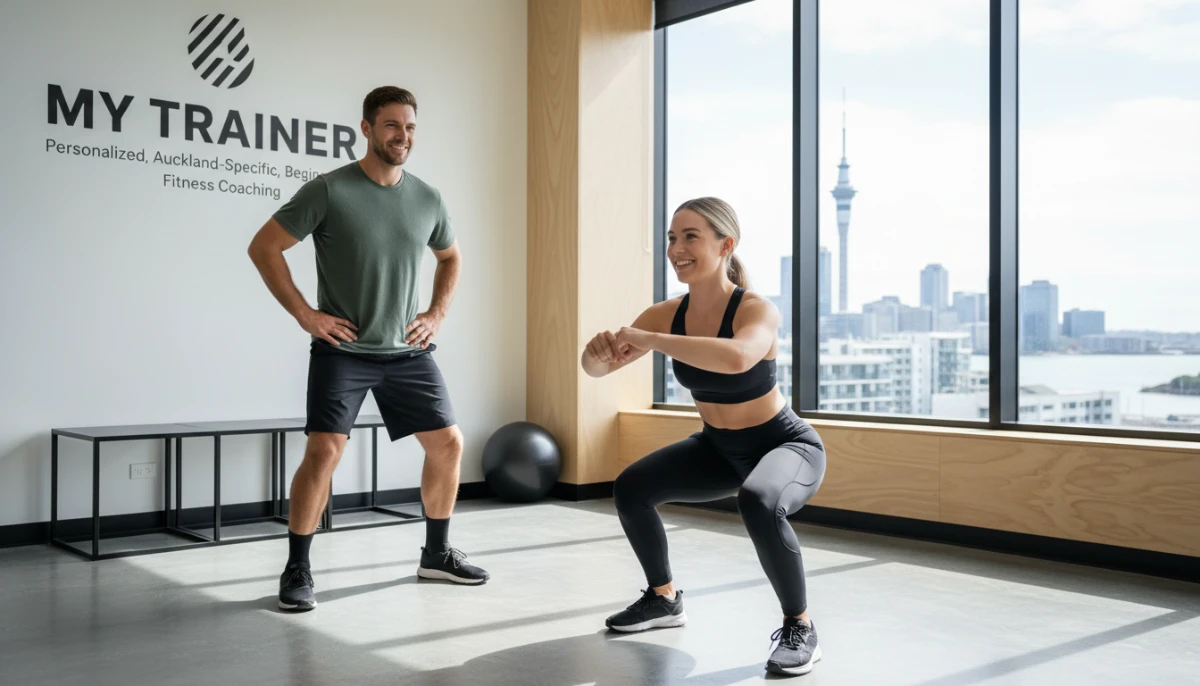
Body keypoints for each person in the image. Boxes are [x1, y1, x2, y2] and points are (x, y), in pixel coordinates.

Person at [248, 86, 489, 613]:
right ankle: (298, 567)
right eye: (391, 126)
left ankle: (436, 553)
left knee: (448, 444)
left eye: (410, 128)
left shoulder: (428, 197)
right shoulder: (329, 191)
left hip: (407, 352)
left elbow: (451, 258)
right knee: (324, 452)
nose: (402, 136)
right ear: (366, 128)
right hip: (345, 351)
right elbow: (264, 247)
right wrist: (305, 315)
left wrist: (436, 314)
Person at [580, 197, 827, 677]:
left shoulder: (756, 310)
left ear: (725, 245)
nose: (677, 248)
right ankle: (663, 599)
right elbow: (597, 368)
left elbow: (738, 357)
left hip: (784, 446)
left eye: (690, 236)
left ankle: (801, 627)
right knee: (631, 488)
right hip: (718, 448)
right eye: (672, 238)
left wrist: (651, 340)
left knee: (758, 500)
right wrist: (594, 353)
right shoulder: (667, 314)